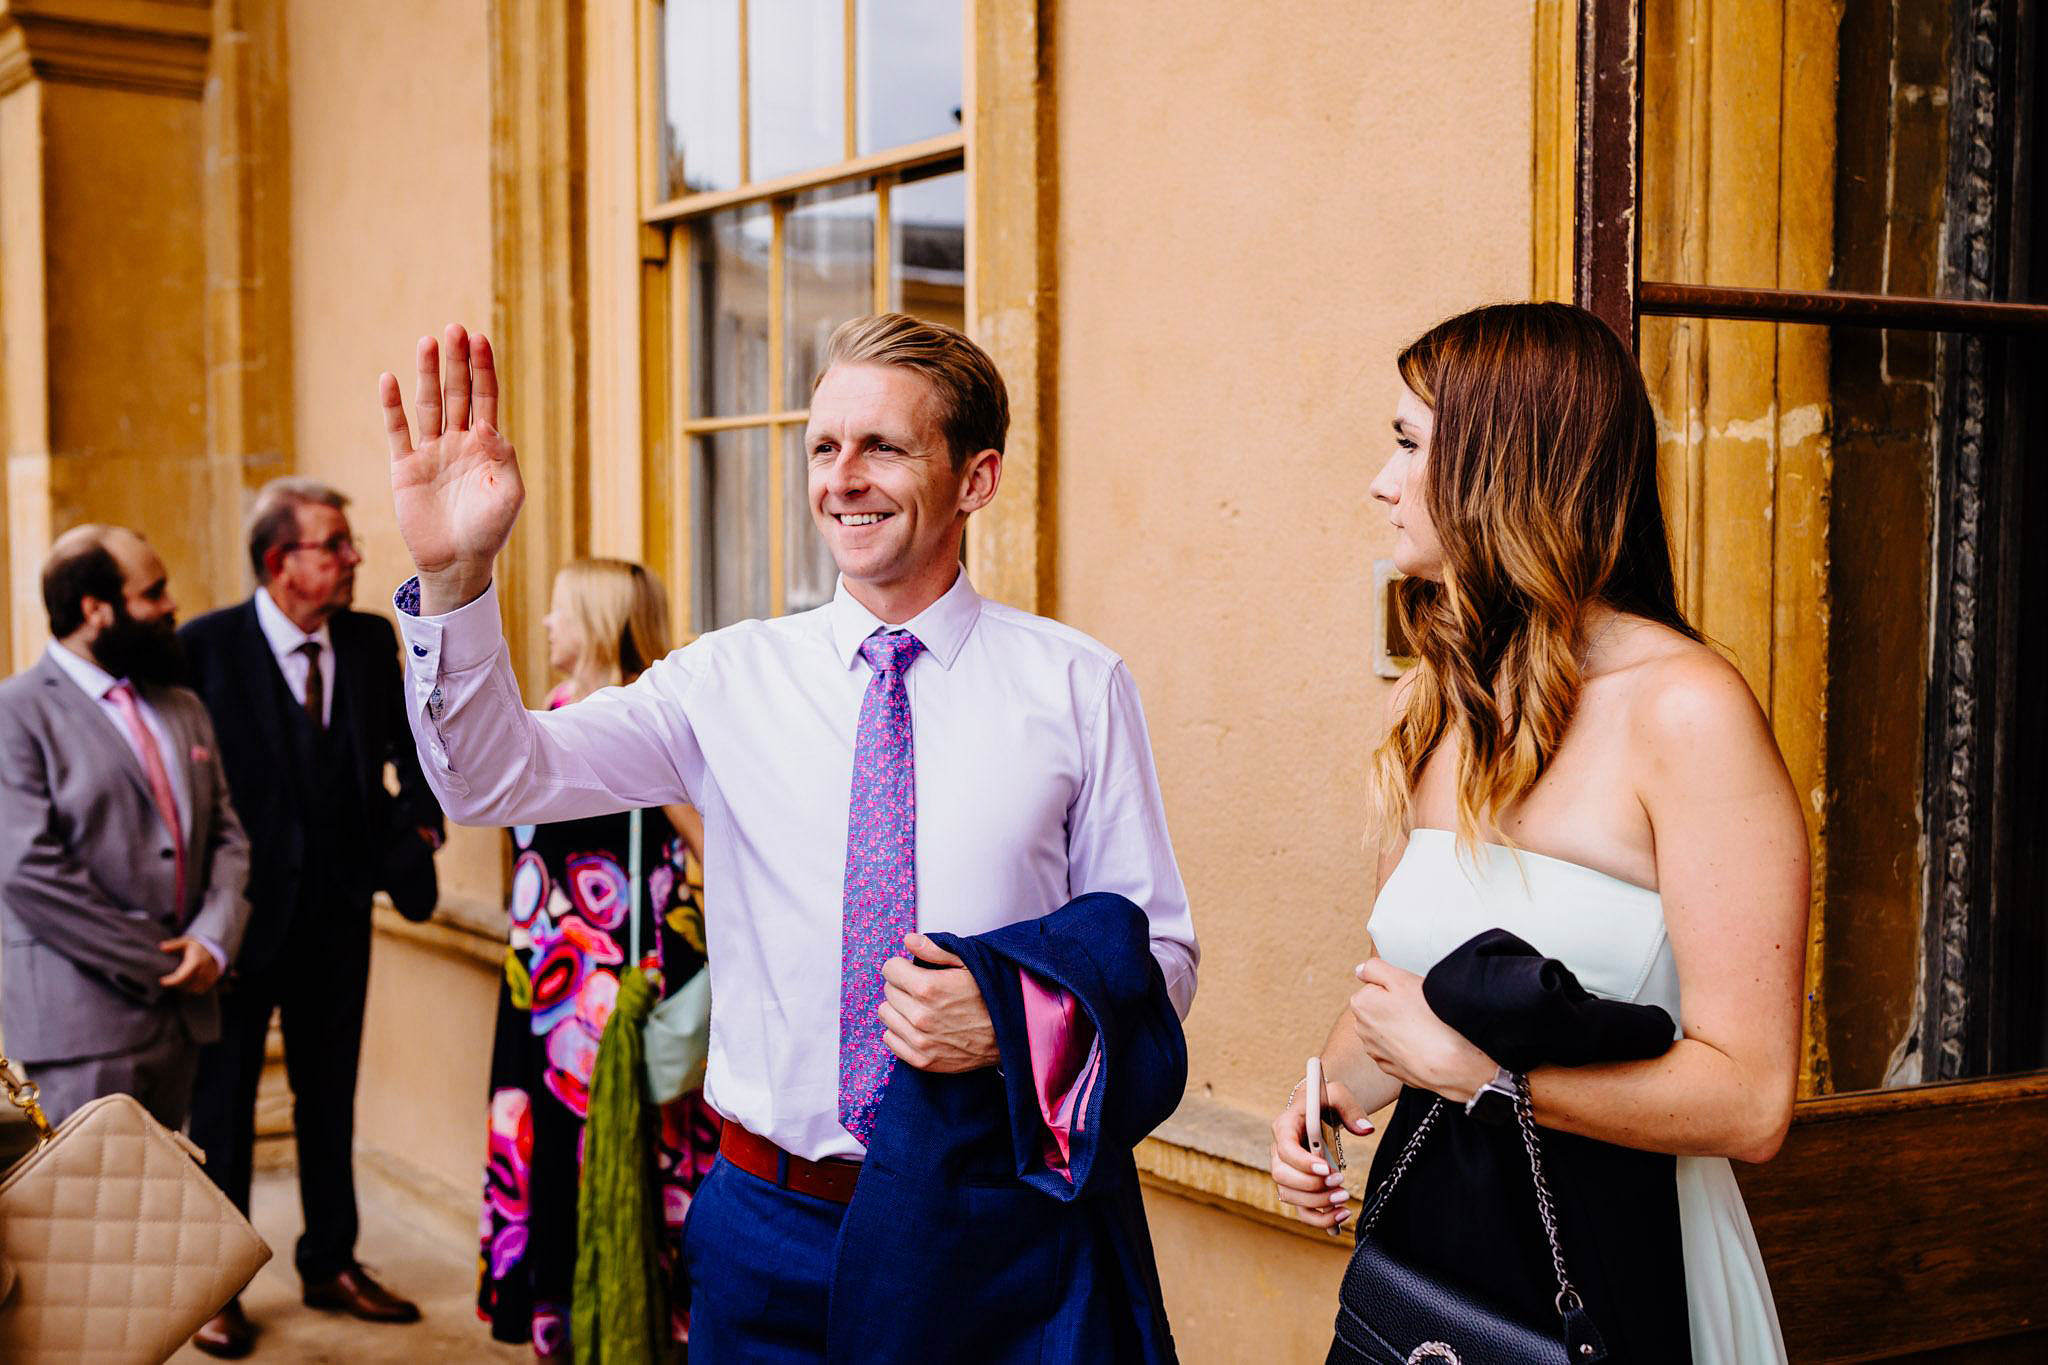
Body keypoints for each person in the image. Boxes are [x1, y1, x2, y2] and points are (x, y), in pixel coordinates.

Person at [376, 313, 1198, 1361]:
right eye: (822, 447)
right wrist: (455, 581)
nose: (842, 477)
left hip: (986, 1229)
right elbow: (492, 775)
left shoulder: (1077, 686)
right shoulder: (726, 679)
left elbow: (1157, 958)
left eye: (883, 447)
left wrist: (1011, 1024)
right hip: (764, 1229)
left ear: (976, 479)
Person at [1269, 302, 1803, 1362]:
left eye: (1407, 445)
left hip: (1626, 1271)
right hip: (1447, 1275)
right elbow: (1395, 996)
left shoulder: (1685, 712)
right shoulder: (1432, 707)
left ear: (1501, 469)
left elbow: (1750, 1102)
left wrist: (1484, 1081)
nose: (1380, 484)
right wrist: (1321, 1103)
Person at [179, 478, 446, 1358]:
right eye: (334, 543)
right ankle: (215, 1289)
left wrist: (418, 820)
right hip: (240, 928)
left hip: (341, 918)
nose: (354, 557)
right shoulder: (204, 648)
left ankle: (331, 1261)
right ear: (277, 562)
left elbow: (409, 747)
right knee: (220, 1111)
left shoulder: (372, 642)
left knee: (329, 1101)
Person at [478, 557, 719, 1356]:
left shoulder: (650, 730)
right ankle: (567, 1322)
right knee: (555, 1171)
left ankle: (641, 1323)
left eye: (558, 611)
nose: (544, 627)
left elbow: (712, 853)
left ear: (598, 621)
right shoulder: (542, 719)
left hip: (622, 1001)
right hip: (544, 998)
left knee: (634, 1170)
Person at [0, 525, 250, 1131]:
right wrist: (162, 959)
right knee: (90, 1222)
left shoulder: (181, 705)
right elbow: (26, 870)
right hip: (81, 1025)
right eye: (153, 592)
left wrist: (213, 941)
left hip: (184, 1016)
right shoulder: (16, 711)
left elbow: (227, 835)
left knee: (161, 1214)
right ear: (96, 610)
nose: (171, 607)